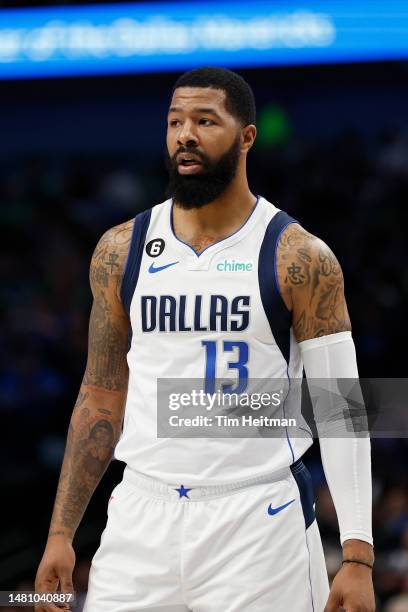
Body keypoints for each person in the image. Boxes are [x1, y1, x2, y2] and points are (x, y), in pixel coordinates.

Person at [35, 66, 375, 612]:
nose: (184, 134)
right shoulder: (120, 250)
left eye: (204, 120)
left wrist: (357, 555)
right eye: (174, 121)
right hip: (140, 516)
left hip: (259, 519)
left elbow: (341, 409)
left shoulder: (301, 258)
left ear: (247, 137)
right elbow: (99, 396)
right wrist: (60, 534)